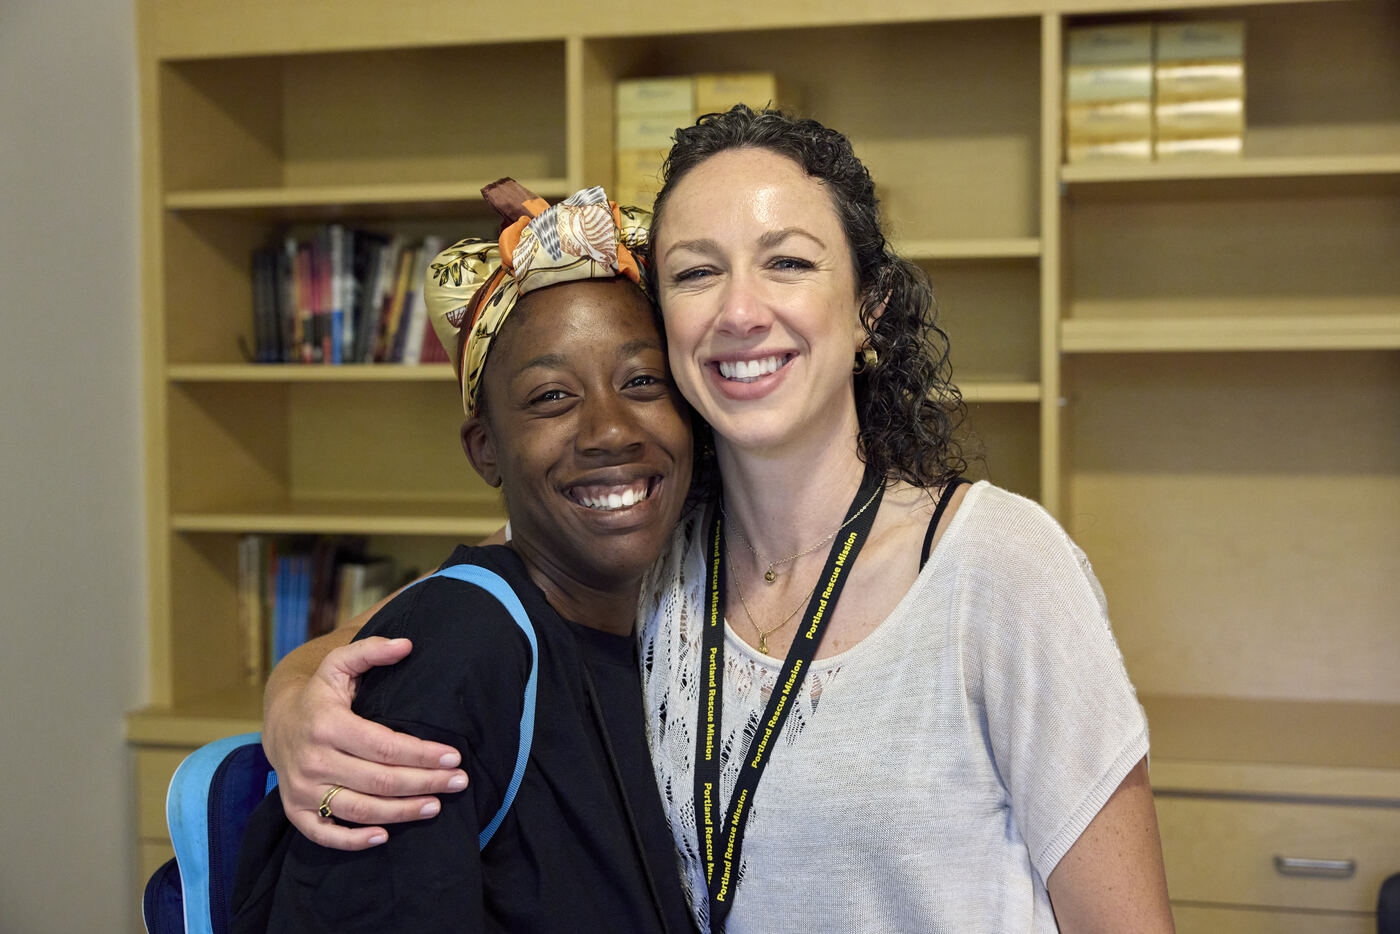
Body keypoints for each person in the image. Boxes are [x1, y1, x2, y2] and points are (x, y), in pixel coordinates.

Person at [263, 107, 1175, 932]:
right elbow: (415, 633)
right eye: (698, 272)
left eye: (787, 261)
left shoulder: (999, 566)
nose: (741, 310)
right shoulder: (646, 555)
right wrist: (295, 701)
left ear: (869, 308)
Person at [231, 180, 697, 934]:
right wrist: (289, 701)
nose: (609, 430)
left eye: (644, 382)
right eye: (550, 397)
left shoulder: (695, 603)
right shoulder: (460, 655)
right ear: (487, 452)